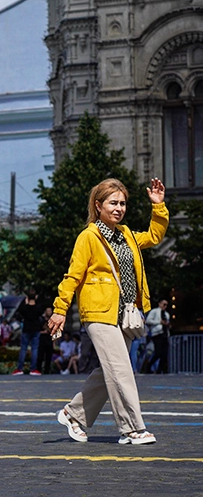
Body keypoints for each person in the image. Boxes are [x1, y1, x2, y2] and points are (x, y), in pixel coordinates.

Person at [49, 177, 167, 447]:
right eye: (113, 203)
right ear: (98, 204)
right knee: (121, 370)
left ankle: (73, 414)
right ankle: (132, 428)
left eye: (123, 203)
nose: (119, 208)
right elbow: (72, 276)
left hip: (124, 315)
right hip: (98, 313)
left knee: (110, 371)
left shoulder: (126, 234)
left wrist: (158, 207)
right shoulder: (88, 237)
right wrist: (60, 309)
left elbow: (154, 236)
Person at [13, 293, 43, 376]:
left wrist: (26, 303)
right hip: (36, 328)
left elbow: (20, 313)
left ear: (27, 297)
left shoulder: (24, 307)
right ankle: (33, 369)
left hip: (26, 328)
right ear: (36, 297)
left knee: (23, 348)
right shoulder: (38, 307)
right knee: (34, 349)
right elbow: (40, 314)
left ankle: (19, 368)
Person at [144, 299, 170, 374]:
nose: (165, 306)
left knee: (164, 353)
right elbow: (148, 320)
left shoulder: (167, 314)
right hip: (157, 333)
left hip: (164, 333)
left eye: (166, 305)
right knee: (158, 352)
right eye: (164, 304)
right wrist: (159, 322)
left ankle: (160, 369)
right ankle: (149, 366)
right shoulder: (155, 311)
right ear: (160, 304)